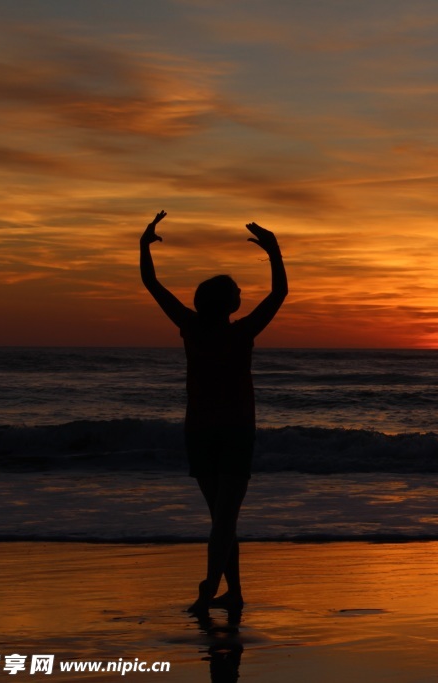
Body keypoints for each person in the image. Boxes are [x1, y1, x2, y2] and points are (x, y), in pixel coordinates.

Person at [139, 210, 287, 613]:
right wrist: (274, 252)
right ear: (230, 303)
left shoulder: (191, 326)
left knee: (222, 518)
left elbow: (151, 283)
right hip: (235, 431)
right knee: (225, 518)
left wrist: (143, 245)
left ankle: (228, 591)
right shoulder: (241, 332)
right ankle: (215, 590)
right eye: (237, 293)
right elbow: (278, 296)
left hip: (201, 432)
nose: (241, 296)